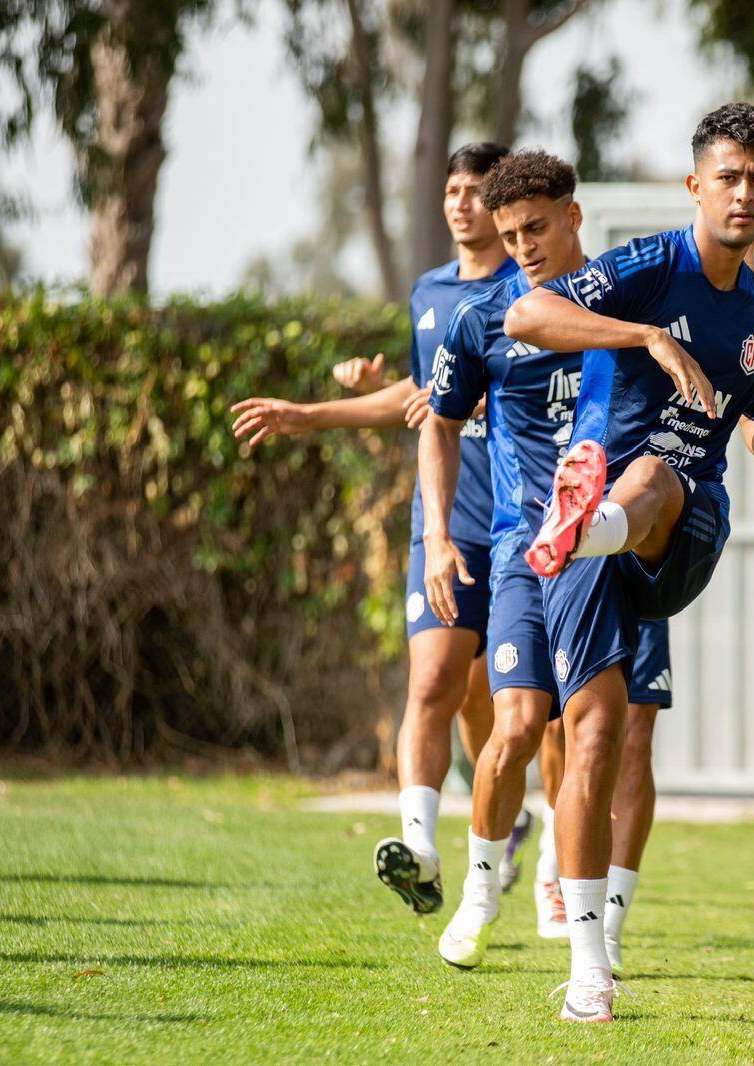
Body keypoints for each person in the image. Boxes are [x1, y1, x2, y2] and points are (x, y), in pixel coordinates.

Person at [502, 102, 754, 1022]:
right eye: (727, 176)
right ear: (695, 186)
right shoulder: (648, 264)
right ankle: (591, 964)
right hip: (590, 543)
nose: (742, 193)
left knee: (662, 472)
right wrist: (645, 335)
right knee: (592, 736)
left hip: (684, 530)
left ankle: (589, 520)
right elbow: (526, 312)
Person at [231, 143, 517, 915]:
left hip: (525, 526)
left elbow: (508, 398)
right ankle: (421, 850)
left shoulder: (531, 289)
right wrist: (311, 414)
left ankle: (529, 833)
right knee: (434, 682)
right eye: (452, 190)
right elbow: (423, 399)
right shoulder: (430, 292)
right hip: (448, 520)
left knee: (508, 709)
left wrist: (482, 407)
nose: (460, 204)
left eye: (476, 192)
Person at [415, 150, 674, 979]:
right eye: (509, 233)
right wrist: (438, 538)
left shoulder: (634, 298)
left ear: (573, 216)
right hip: (526, 555)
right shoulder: (481, 317)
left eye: (536, 227)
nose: (523, 245)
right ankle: (483, 892)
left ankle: (603, 918)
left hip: (616, 550)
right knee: (519, 726)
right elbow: (437, 421)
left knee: (615, 734)